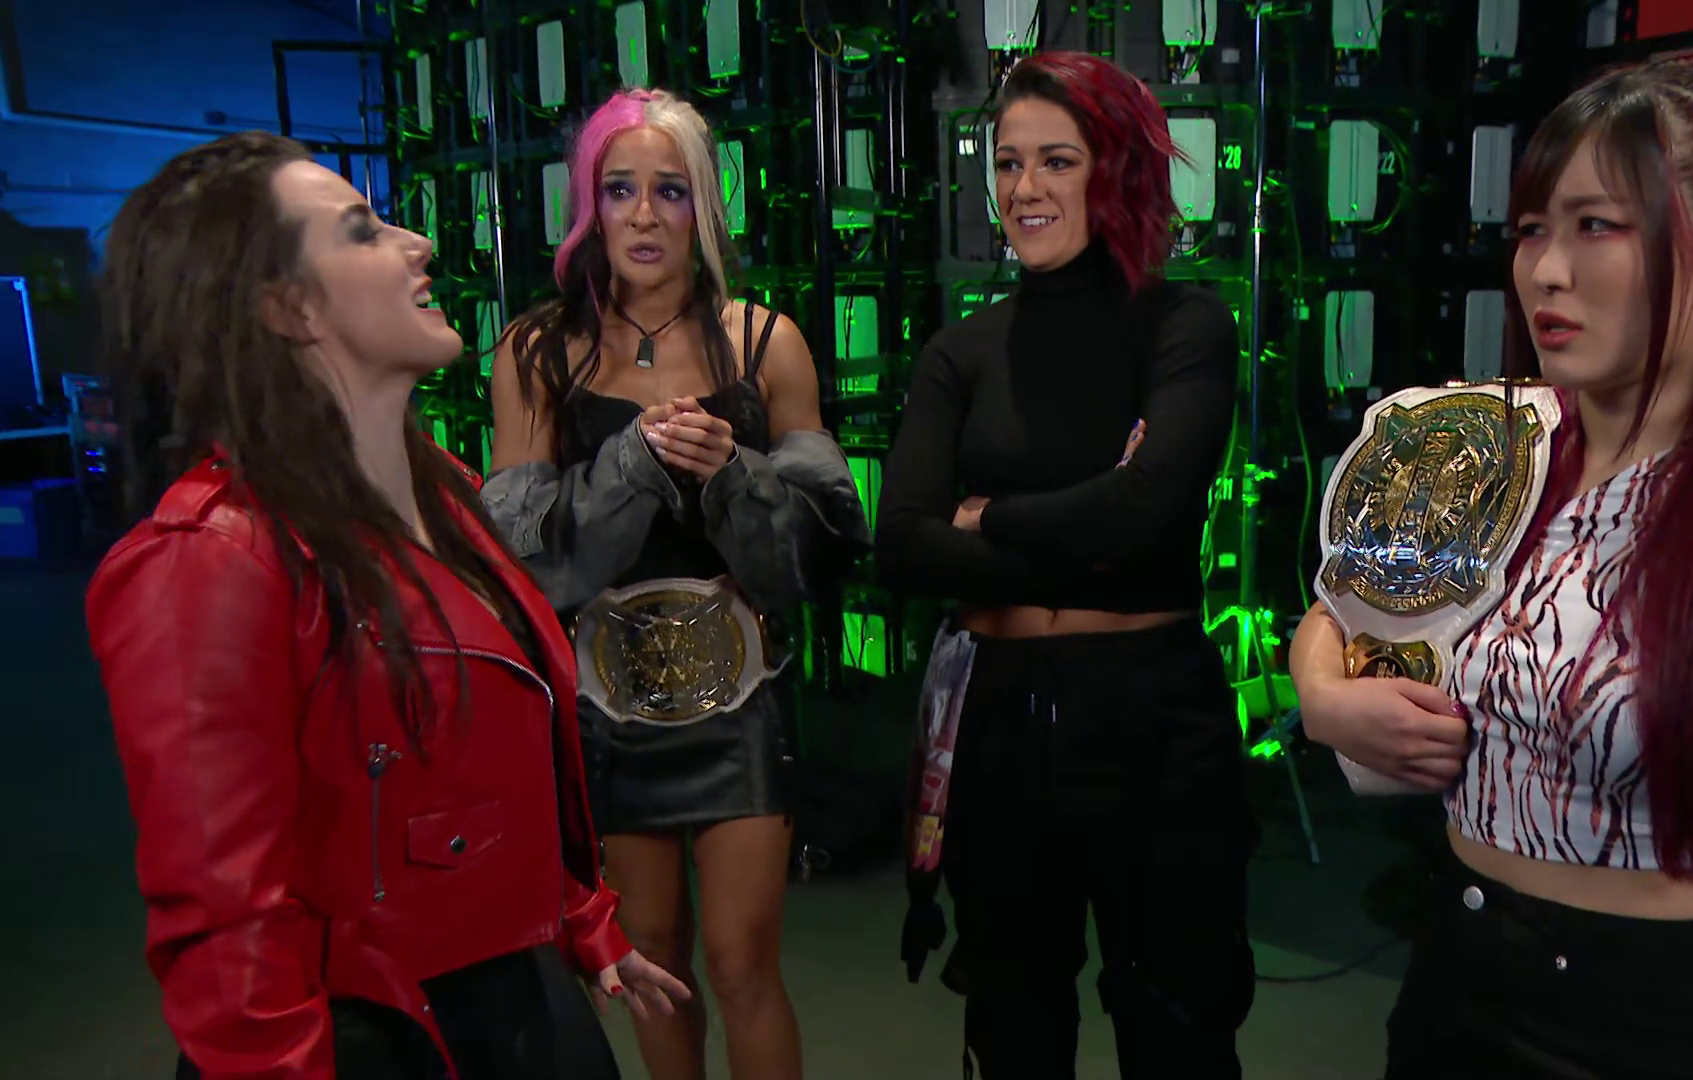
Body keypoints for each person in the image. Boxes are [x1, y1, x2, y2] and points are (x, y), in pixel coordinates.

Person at [1292, 53, 1693, 1078]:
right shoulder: (1484, 442)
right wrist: (1321, 695)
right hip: (1453, 976)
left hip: (1673, 1015)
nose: (1546, 271)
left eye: (1597, 226)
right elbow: (1346, 609)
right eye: (1531, 229)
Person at [85, 131, 692, 1080]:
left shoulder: (446, 494)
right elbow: (228, 928)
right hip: (376, 1037)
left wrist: (580, 918)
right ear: (286, 304)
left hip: (516, 996)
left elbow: (480, 772)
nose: (420, 244)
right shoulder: (206, 559)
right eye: (363, 231)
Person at [875, 52, 1254, 1079]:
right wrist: (1096, 532)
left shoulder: (1186, 326)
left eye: (1056, 160)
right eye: (1007, 163)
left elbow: (1150, 513)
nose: (1023, 188)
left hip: (1153, 714)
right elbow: (901, 544)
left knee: (1177, 1020)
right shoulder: (960, 351)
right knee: (1012, 1022)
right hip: (999, 717)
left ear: (1117, 170)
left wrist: (988, 518)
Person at [481, 88, 866, 1080]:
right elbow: (520, 554)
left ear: (705, 206)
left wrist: (732, 471)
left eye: (672, 191)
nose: (645, 216)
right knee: (650, 963)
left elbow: (825, 546)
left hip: (740, 700)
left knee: (742, 963)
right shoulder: (535, 350)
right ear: (589, 206)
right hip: (606, 709)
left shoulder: (765, 340)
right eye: (621, 190)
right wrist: (631, 467)